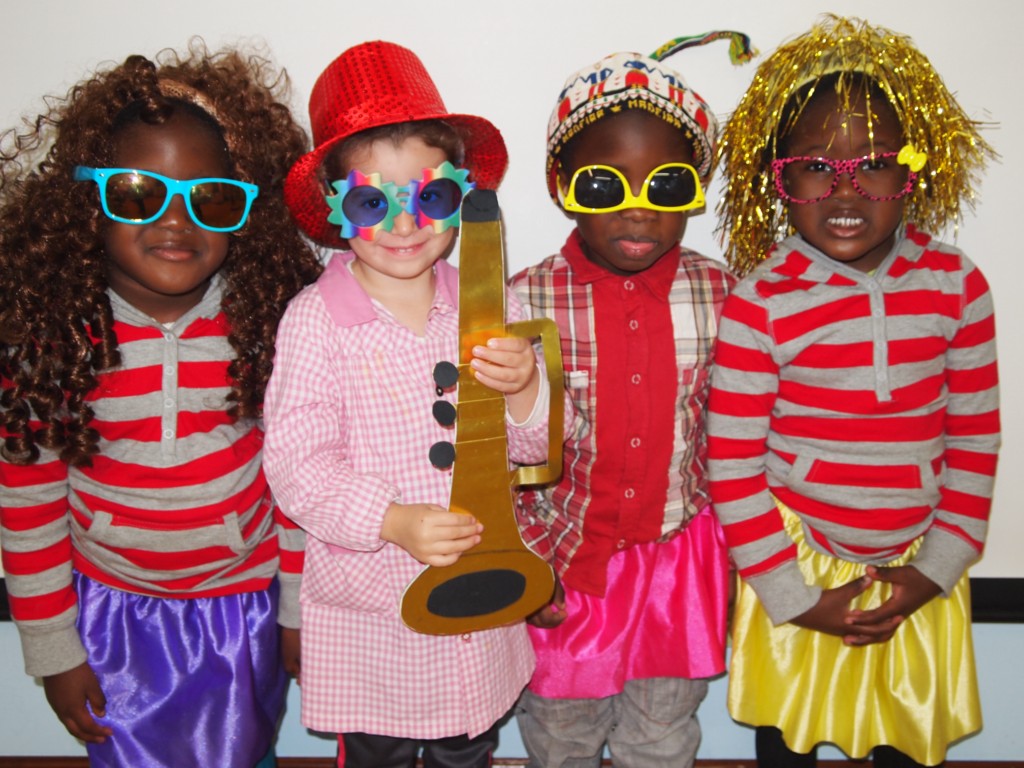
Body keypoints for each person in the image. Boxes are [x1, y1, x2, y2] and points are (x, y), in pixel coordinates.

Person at [0, 41, 322, 767]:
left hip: (242, 604)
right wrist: (53, 652)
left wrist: (298, 611)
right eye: (139, 192)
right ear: (87, 202)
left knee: (240, 751)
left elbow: (295, 485)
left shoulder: (267, 324)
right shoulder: (57, 338)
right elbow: (28, 502)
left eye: (210, 198)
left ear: (244, 212)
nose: (176, 221)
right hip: (111, 608)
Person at [262, 40, 568, 768]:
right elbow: (297, 466)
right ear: (337, 210)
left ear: (458, 196)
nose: (405, 226)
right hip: (375, 613)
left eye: (430, 197)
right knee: (379, 753)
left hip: (480, 597)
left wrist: (526, 389)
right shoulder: (315, 320)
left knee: (470, 742)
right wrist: (392, 520)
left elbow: (535, 451)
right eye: (373, 202)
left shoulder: (490, 302)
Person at [708, 15, 1000, 768]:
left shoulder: (957, 285)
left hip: (918, 566)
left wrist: (935, 570)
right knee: (789, 740)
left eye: (876, 164)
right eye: (815, 166)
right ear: (778, 178)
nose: (846, 189)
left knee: (906, 737)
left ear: (915, 173)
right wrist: (792, 597)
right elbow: (732, 466)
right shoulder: (761, 300)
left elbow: (975, 439)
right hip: (797, 564)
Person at [509, 31, 752, 768]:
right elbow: (496, 454)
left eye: (667, 186)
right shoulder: (523, 302)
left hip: (679, 568)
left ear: (696, 187)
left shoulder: (723, 296)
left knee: (663, 737)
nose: (638, 211)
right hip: (564, 564)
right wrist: (525, 561)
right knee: (562, 737)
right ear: (561, 184)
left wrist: (739, 561)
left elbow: (736, 439)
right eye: (603, 187)